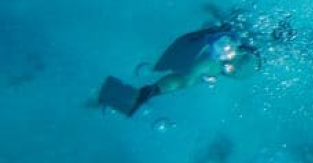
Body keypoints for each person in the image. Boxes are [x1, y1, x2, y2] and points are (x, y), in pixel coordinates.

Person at [97, 23, 260, 117]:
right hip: (206, 43)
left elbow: (184, 81)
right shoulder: (215, 63)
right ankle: (128, 95)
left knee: (188, 77)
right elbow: (183, 81)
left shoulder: (212, 65)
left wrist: (148, 93)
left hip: (200, 48)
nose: (233, 54)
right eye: (241, 56)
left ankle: (125, 95)